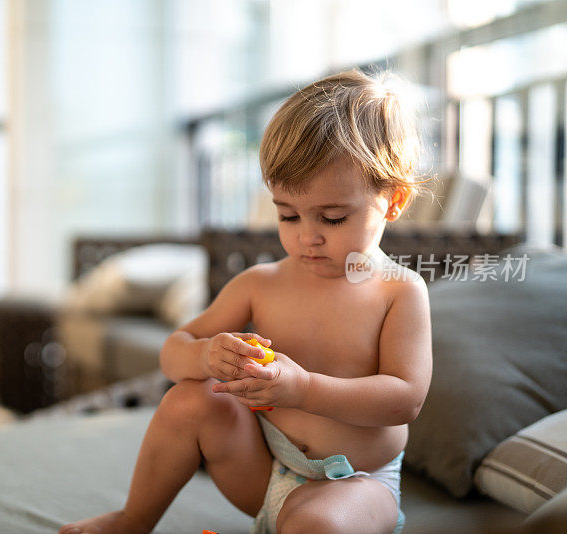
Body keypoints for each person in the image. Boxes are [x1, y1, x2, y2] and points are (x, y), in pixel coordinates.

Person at [60, 68, 433, 534]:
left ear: (393, 201)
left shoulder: (398, 292)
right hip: (262, 469)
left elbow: (404, 400)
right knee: (188, 400)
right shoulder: (260, 283)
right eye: (288, 215)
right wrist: (204, 353)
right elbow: (173, 353)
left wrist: (304, 390)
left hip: (356, 485)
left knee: (319, 526)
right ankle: (133, 519)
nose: (307, 237)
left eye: (333, 218)